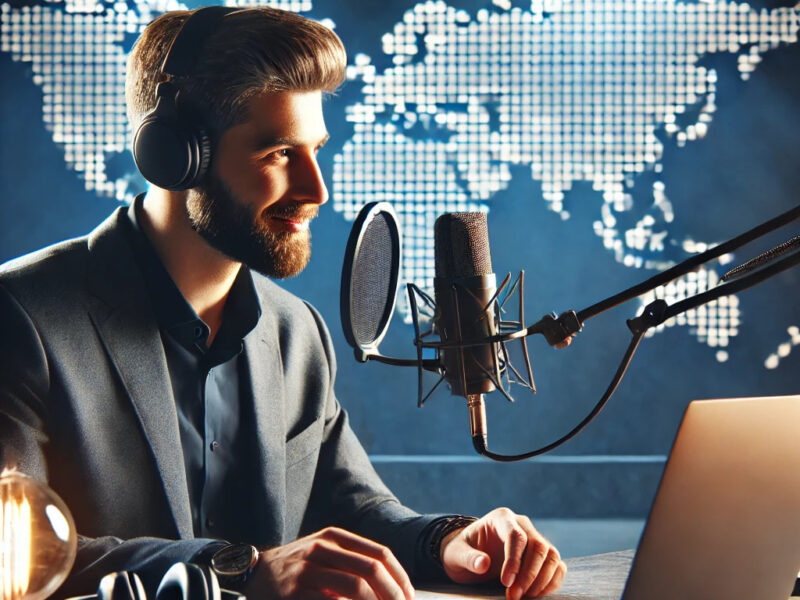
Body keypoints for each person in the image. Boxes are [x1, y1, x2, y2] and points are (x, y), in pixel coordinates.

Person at [0, 6, 566, 599]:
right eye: (278, 153)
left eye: (315, 149)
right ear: (174, 155)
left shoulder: (297, 333)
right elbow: (22, 554)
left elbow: (353, 509)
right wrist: (240, 569)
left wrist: (449, 541)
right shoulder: (21, 319)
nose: (317, 189)